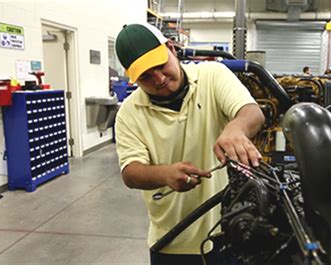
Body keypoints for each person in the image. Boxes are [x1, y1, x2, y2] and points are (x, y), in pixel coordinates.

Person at [114, 23, 265, 265]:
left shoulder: (212, 76)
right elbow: (130, 172)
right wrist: (165, 174)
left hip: (226, 231)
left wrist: (235, 129)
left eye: (160, 66)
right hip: (171, 241)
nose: (159, 79)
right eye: (146, 76)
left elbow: (252, 112)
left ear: (171, 49)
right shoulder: (130, 113)